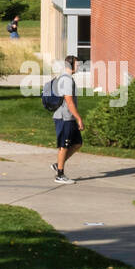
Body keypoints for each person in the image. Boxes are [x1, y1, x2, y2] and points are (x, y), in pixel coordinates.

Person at [51, 55, 83, 183]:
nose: (79, 66)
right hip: (64, 117)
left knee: (77, 143)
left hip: (68, 117)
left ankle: (58, 164)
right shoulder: (67, 80)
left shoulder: (66, 78)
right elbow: (69, 102)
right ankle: (60, 174)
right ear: (71, 65)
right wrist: (79, 118)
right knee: (64, 145)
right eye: (78, 64)